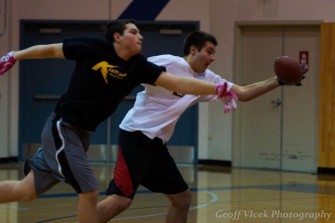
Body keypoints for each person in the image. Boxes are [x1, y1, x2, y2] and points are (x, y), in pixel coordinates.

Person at [0, 20, 231, 223]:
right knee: (89, 189)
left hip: (83, 135)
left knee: (26, 190)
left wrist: (218, 88)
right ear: (117, 37)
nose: (139, 36)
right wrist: (15, 55)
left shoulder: (137, 66)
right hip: (62, 127)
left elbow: (180, 84)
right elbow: (49, 50)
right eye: (133, 31)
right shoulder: (90, 47)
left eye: (140, 32)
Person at [96, 31, 307, 223]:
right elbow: (132, 68)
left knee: (182, 199)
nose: (213, 57)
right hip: (135, 136)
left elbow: (242, 93)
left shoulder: (208, 79)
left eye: (214, 53)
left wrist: (279, 80)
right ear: (193, 50)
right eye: (209, 51)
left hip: (155, 145)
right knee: (121, 200)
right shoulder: (168, 63)